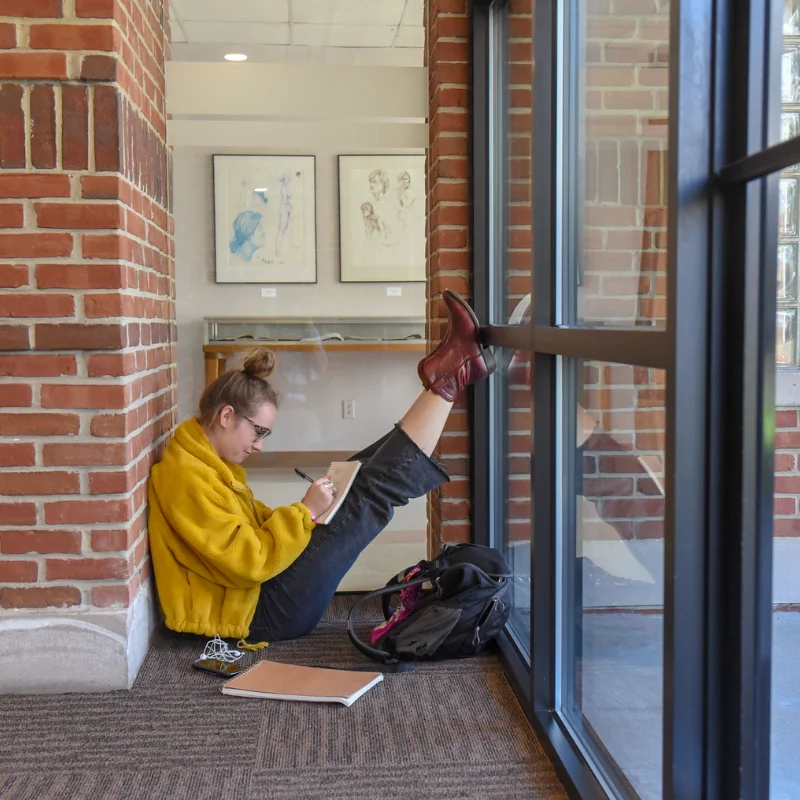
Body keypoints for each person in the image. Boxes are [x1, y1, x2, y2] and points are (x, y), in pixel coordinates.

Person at [148, 291, 496, 643]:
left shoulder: (202, 463)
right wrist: (302, 513)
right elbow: (247, 563)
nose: (260, 444)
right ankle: (453, 375)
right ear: (226, 416)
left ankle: (455, 372)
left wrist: (307, 512)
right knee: (368, 493)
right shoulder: (186, 478)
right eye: (258, 431)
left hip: (255, 597)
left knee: (358, 472)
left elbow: (246, 530)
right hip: (257, 613)